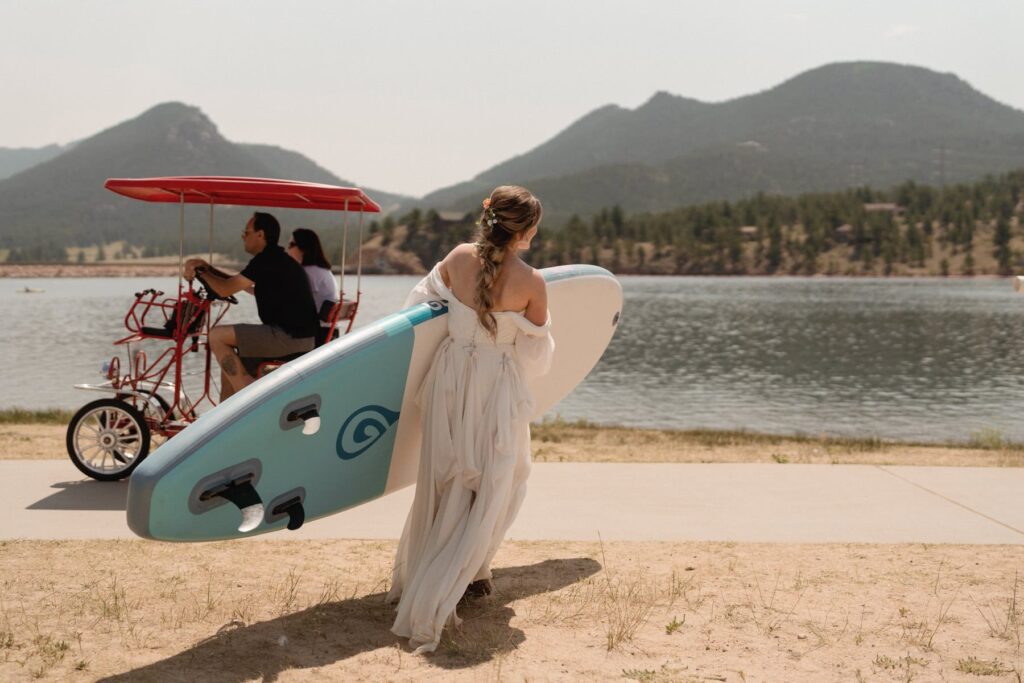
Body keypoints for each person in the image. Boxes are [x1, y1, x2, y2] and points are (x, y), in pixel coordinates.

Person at [388, 185, 554, 654]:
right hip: (495, 387)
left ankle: (463, 572)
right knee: (502, 477)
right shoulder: (532, 282)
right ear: (526, 231)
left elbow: (418, 306)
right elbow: (536, 356)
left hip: (449, 377)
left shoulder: (458, 257)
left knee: (446, 479)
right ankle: (462, 574)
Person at [182, 212, 319, 400]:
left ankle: (246, 398)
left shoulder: (266, 260)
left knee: (216, 335)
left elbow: (224, 289)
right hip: (298, 336)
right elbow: (234, 283)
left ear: (260, 235)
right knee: (229, 367)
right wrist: (208, 268)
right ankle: (226, 419)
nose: (243, 237)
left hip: (289, 337)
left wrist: (199, 271)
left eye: (246, 233)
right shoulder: (274, 259)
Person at [287, 227, 341, 346]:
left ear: (303, 248)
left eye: (291, 244)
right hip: (330, 334)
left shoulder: (307, 272)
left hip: (314, 336)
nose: (288, 249)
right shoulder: (322, 270)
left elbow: (282, 296)